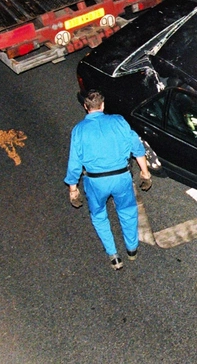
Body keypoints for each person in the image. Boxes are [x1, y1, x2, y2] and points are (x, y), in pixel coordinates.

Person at [65, 90, 151, 271]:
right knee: (127, 211)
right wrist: (145, 173)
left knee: (99, 215)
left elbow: (74, 163)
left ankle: (114, 255)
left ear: (85, 107)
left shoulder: (79, 130)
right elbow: (137, 148)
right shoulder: (119, 121)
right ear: (103, 105)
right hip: (121, 177)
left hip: (96, 182)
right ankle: (132, 249)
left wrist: (73, 188)